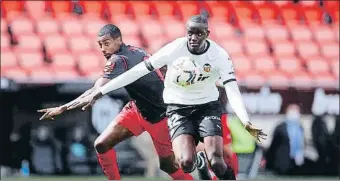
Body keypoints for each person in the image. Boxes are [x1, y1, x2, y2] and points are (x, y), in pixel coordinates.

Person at [69, 14, 267, 180]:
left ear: (207, 34)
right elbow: (137, 72)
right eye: (190, 33)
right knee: (182, 162)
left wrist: (244, 119)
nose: (194, 38)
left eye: (199, 33)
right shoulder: (172, 52)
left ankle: (217, 171)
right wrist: (98, 92)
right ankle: (200, 162)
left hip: (197, 109)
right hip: (165, 110)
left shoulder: (218, 56)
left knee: (217, 156)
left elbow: (228, 87)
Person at [37, 24, 193, 180]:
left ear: (119, 39)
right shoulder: (137, 51)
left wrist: (62, 108)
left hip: (160, 118)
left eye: (107, 43)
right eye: (100, 45)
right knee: (101, 144)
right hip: (137, 110)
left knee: (167, 165)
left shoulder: (118, 60)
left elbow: (95, 91)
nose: (103, 49)